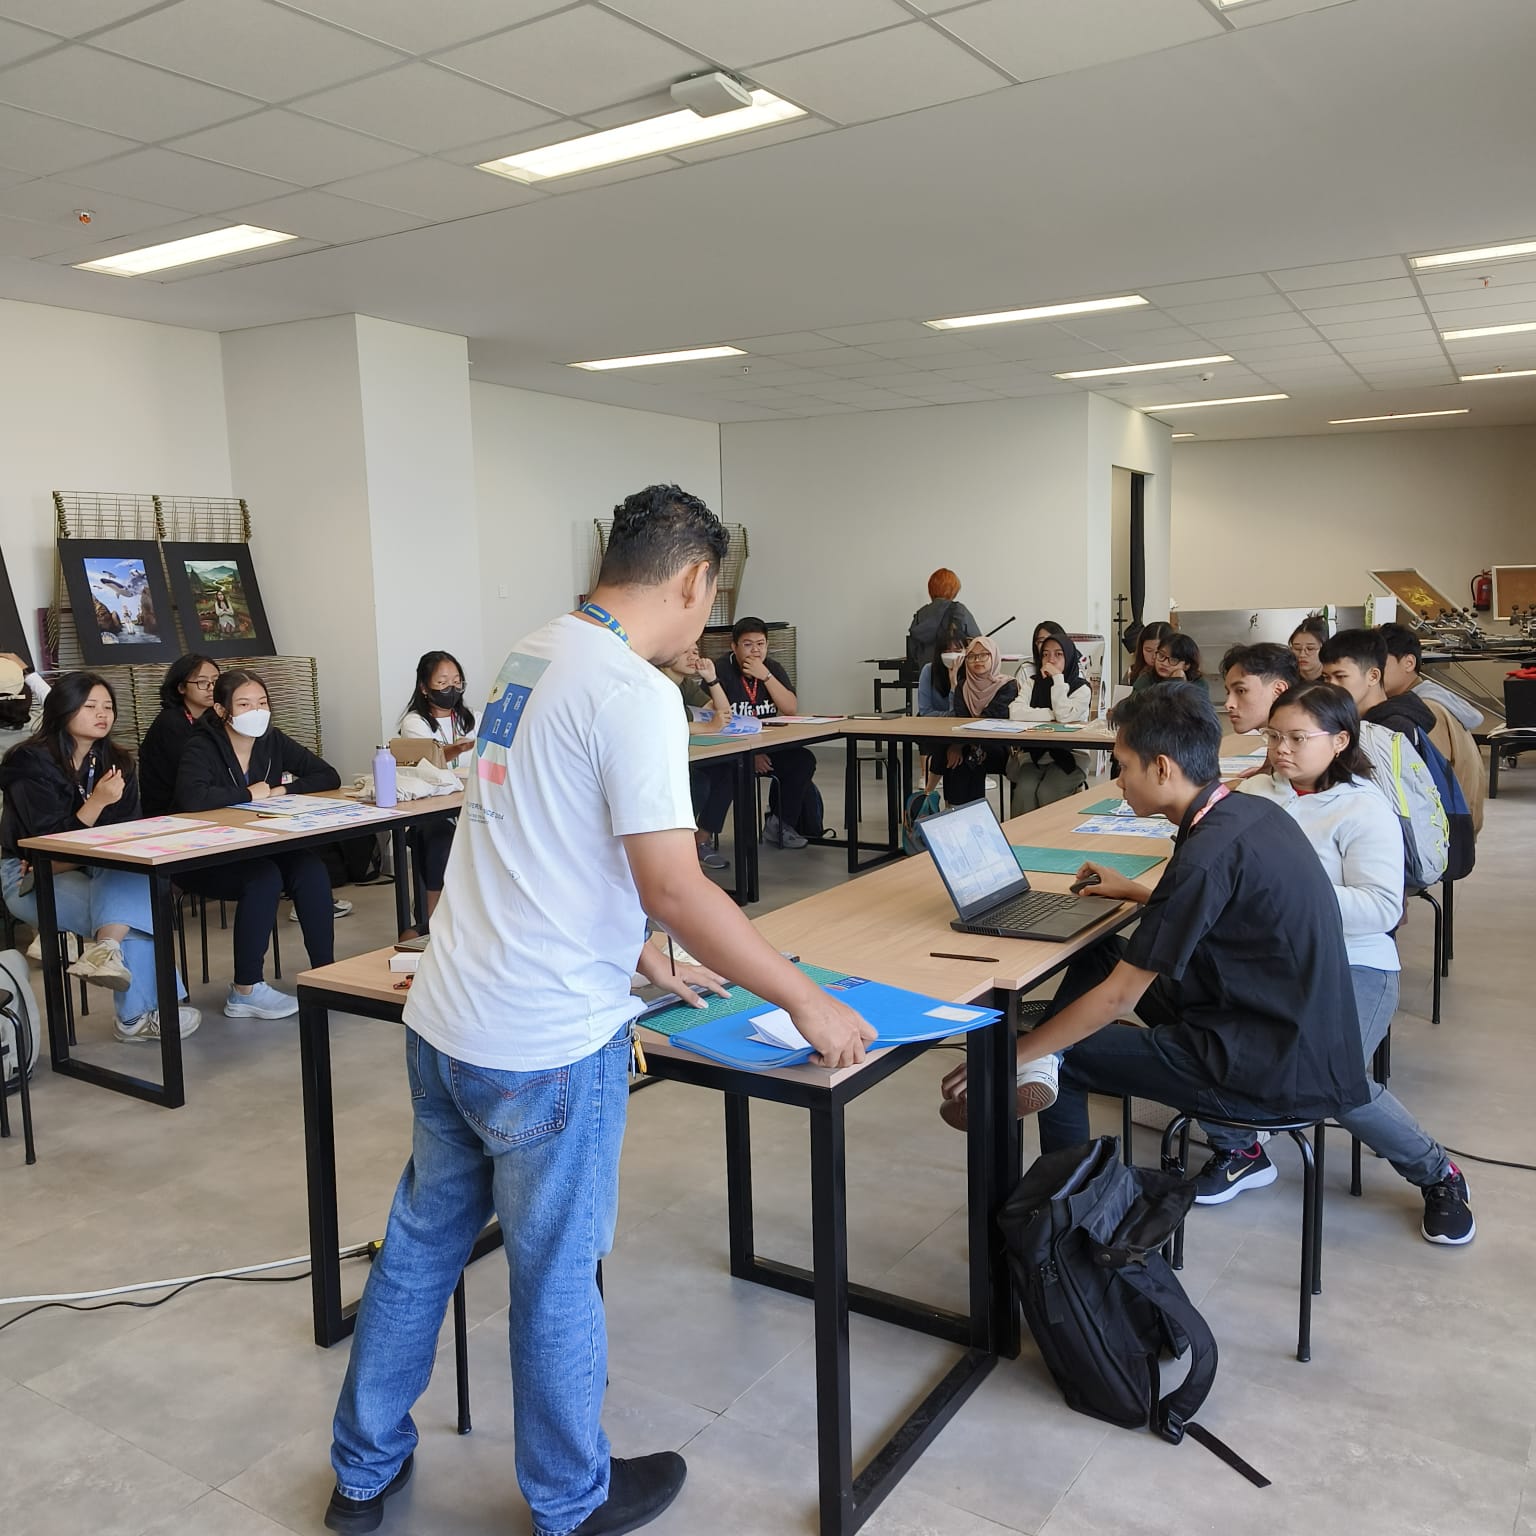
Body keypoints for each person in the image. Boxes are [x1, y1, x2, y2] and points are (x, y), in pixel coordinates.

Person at [323, 484, 874, 1536]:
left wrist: (638, 949)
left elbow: (537, 836)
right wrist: (805, 999)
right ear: (695, 580)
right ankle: (571, 1500)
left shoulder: (528, 654)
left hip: (448, 1021)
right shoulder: (633, 692)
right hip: (542, 1042)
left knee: (420, 1248)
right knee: (556, 1275)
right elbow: (676, 884)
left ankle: (361, 1473)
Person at [938, 683, 1369, 1190]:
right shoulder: (1247, 813)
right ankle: (1042, 1069)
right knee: (1099, 952)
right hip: (1275, 1024)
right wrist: (1139, 893)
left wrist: (1014, 1055)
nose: (1119, 781)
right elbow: (1217, 911)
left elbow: (1120, 998)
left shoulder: (1205, 854)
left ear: (1162, 768)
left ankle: (1071, 1211)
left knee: (1066, 1058)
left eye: (1123, 767)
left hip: (1263, 1065)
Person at [1226, 683, 1473, 1242]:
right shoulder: (1256, 793)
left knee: (1332, 1080)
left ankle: (1439, 1173)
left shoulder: (1363, 806)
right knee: (1204, 1033)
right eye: (1274, 736)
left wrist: (1287, 895)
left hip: (1354, 964)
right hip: (1269, 960)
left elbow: (1381, 908)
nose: (1281, 749)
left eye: (1297, 738)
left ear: (1339, 741)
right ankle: (1239, 1149)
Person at [0, 672, 198, 1043]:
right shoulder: (28, 761)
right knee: (136, 913)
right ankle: (141, 1015)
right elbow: (46, 846)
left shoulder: (117, 761)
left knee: (126, 891)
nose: (102, 714)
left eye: (107, 706)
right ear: (63, 709)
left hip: (99, 867)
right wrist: (96, 804)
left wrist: (88, 850)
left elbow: (124, 837)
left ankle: (109, 955)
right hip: (29, 877)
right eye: (90, 706)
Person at [173, 670, 340, 1020]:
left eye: (262, 703)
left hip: (259, 844)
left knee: (310, 868)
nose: (257, 712)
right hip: (206, 855)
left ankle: (325, 974)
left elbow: (327, 775)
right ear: (221, 710)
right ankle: (245, 990)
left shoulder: (271, 739)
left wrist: (283, 790)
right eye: (245, 704)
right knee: (262, 878)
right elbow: (192, 797)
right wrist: (248, 794)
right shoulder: (201, 745)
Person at [714, 616, 818, 850]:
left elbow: (790, 708)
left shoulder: (772, 668)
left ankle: (779, 824)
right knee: (727, 772)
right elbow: (715, 719)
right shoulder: (721, 670)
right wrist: (751, 752)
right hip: (733, 748)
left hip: (767, 745)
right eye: (748, 644)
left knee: (802, 760)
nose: (755, 650)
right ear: (734, 647)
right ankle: (705, 836)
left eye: (760, 644)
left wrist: (766, 676)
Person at [395, 651, 475, 937]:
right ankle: (431, 925)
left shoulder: (472, 719)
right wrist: (454, 751)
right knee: (440, 840)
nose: (451, 688)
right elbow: (427, 763)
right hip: (430, 810)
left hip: (467, 804)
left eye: (456, 681)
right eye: (442, 682)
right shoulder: (415, 723)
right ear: (424, 688)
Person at [924, 635, 1019, 808]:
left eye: (983, 655)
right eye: (972, 656)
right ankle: (957, 809)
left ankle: (951, 806)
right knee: (959, 757)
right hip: (968, 742)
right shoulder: (963, 686)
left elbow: (990, 720)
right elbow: (961, 719)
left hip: (997, 745)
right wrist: (958, 745)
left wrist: (958, 745)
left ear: (994, 656)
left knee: (961, 756)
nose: (977, 660)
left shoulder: (1008, 685)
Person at [1006, 623, 1091, 814]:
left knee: (1048, 792)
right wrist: (1051, 714)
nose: (1051, 659)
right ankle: (1023, 833)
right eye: (1045, 654)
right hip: (1035, 754)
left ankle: (1054, 832)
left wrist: (1058, 680)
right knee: (1024, 793)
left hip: (1072, 756)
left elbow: (1065, 716)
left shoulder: (1081, 688)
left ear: (1069, 656)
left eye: (1058, 654)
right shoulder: (1032, 682)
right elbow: (1015, 712)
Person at [670, 642, 734, 871]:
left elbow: (723, 713)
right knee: (698, 783)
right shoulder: (657, 683)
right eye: (685, 651)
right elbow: (664, 723)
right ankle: (676, 847)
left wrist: (711, 679)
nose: (693, 656)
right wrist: (708, 727)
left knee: (727, 771)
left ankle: (700, 840)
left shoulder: (685, 683)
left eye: (696, 651)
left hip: (689, 753)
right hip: (663, 759)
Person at [137, 653, 220, 816]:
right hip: (168, 812)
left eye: (216, 681)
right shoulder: (170, 722)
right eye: (202, 682)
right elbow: (195, 774)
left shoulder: (212, 718)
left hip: (201, 805)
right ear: (181, 687)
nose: (211, 688)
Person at [1379, 621, 1484, 730]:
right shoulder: (1426, 695)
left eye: (1379, 663)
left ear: (1409, 663)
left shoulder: (1422, 710)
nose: (1373, 674)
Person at [1220, 642, 1300, 737]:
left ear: (1279, 691)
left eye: (1241, 691)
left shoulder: (1309, 744)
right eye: (1228, 692)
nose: (1228, 704)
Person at [907, 568, 979, 668]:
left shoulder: (920, 614)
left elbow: (913, 651)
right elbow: (978, 643)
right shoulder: (959, 610)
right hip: (955, 671)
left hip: (927, 671)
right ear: (953, 590)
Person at [1127, 621, 1173, 691]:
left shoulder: (1179, 675)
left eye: (1160, 652)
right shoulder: (1133, 672)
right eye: (1148, 650)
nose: (1154, 656)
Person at [1289, 616, 1330, 682]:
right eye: (1297, 648)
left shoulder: (1332, 680)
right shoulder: (1287, 679)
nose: (1302, 655)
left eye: (1310, 648)